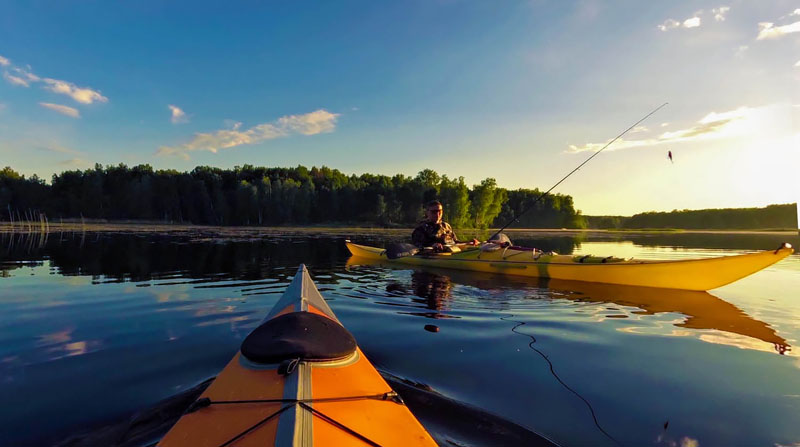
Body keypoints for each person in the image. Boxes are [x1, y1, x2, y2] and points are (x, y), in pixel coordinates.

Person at [412, 200, 479, 251]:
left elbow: (456, 242)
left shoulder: (446, 226)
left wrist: (469, 242)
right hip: (433, 255)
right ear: (427, 212)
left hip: (451, 252)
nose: (437, 214)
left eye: (439, 211)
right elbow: (417, 245)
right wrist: (432, 245)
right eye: (434, 212)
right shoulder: (421, 228)